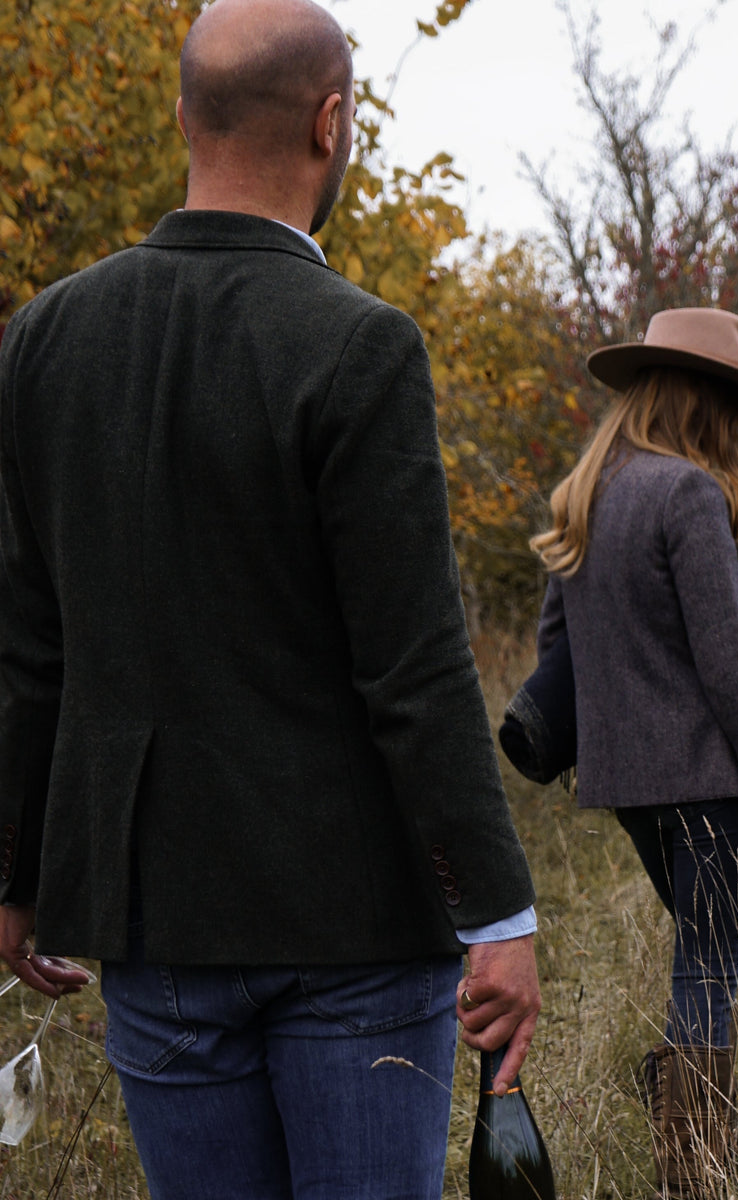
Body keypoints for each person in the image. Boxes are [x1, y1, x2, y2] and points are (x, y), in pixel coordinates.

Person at [0, 1, 540, 1195]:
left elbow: (27, 651)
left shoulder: (43, 339)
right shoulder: (359, 345)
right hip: (350, 920)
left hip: (154, 918)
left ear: (184, 115)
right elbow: (414, 665)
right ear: (332, 123)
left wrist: (14, 880)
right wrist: (496, 911)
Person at [530, 307, 738, 1197]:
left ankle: (679, 1117)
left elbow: (554, 647)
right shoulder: (687, 493)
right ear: (706, 400)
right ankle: (691, 1175)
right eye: (733, 405)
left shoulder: (591, 490)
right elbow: (731, 661)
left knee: (698, 954)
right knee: (707, 968)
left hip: (628, 786)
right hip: (708, 781)